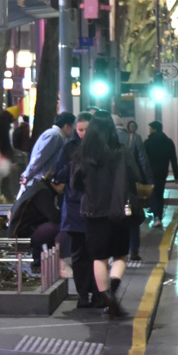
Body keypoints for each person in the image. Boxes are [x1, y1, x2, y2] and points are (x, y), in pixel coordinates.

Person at [71, 115, 142, 318]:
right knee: (120, 255)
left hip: (93, 213)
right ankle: (114, 288)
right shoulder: (121, 152)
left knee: (98, 258)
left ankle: (106, 295)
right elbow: (135, 175)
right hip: (118, 211)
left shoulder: (82, 155)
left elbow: (75, 184)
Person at [52, 113, 97, 308]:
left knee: (96, 252)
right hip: (75, 209)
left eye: (86, 129)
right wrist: (73, 167)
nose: (83, 133)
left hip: (96, 208)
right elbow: (58, 175)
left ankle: (98, 292)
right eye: (80, 130)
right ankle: (83, 294)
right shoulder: (69, 148)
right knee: (79, 255)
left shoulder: (100, 149)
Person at [20, 112, 76, 196]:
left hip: (38, 180)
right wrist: (28, 175)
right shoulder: (55, 135)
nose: (74, 131)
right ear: (67, 126)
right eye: (73, 127)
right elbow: (40, 157)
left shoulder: (55, 134)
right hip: (38, 180)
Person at [123, 121, 153, 264]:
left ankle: (117, 250)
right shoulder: (134, 139)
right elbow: (142, 159)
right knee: (133, 217)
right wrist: (147, 180)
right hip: (129, 185)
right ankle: (133, 250)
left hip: (109, 190)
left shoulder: (105, 140)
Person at [143, 120, 178, 226]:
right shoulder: (168, 142)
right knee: (160, 194)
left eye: (150, 129)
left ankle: (156, 217)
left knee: (154, 194)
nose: (149, 131)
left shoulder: (148, 143)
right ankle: (158, 215)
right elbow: (173, 159)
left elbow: (143, 159)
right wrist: (176, 175)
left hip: (151, 173)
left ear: (155, 129)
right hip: (163, 172)